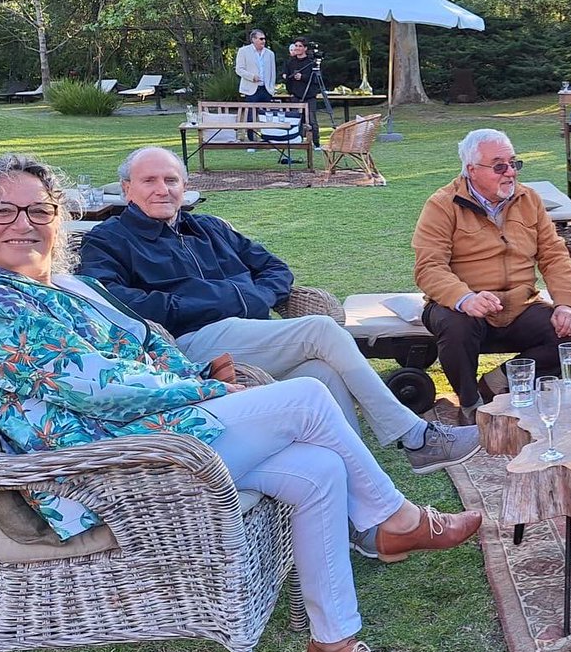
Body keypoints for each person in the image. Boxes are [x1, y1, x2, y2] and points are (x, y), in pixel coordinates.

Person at [0, 153, 482, 652]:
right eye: (3, 211)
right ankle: (394, 516)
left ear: (57, 220)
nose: (23, 223)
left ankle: (334, 645)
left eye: (38, 210)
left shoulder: (60, 288)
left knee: (319, 467)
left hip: (152, 437)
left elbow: (136, 357)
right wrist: (210, 390)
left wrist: (197, 373)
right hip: (102, 469)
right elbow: (95, 388)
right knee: (305, 397)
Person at [78, 147, 479, 478]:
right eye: (149, 180)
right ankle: (415, 436)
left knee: (322, 377)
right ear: (127, 189)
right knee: (320, 331)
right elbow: (111, 302)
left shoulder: (210, 229)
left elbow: (276, 270)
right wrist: (212, 301)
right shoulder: (109, 240)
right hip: (187, 347)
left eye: (171, 180)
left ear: (185, 186)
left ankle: (359, 490)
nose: (162, 189)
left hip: (250, 335)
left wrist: (249, 298)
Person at [412, 128, 571, 421]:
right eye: (499, 166)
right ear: (472, 169)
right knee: (456, 327)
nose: (510, 172)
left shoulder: (528, 199)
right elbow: (428, 266)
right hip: (463, 306)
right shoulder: (442, 204)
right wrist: (464, 298)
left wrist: (565, 305)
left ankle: (496, 383)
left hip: (519, 305)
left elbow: (553, 255)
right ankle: (470, 405)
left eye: (513, 163)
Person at [282, 37, 322, 148]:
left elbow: (316, 79)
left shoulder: (311, 62)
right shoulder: (290, 62)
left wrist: (302, 77)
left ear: (305, 48)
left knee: (312, 120)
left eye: (300, 46)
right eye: (296, 46)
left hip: (309, 96)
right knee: (296, 119)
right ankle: (297, 140)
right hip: (295, 95)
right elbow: (286, 75)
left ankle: (316, 143)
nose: (298, 48)